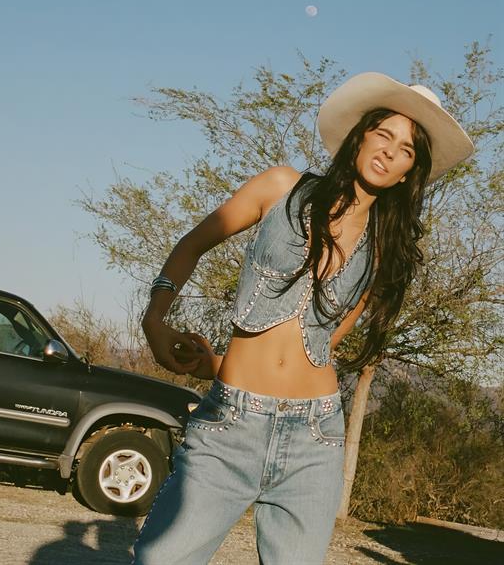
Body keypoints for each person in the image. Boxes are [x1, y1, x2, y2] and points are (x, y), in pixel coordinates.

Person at [132, 72, 474, 565]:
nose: (389, 151)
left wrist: (214, 362)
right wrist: (155, 317)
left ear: (407, 172)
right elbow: (193, 244)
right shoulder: (280, 186)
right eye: (384, 135)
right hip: (231, 423)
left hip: (315, 436)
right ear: (359, 138)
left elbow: (321, 343)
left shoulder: (383, 250)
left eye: (406, 150)